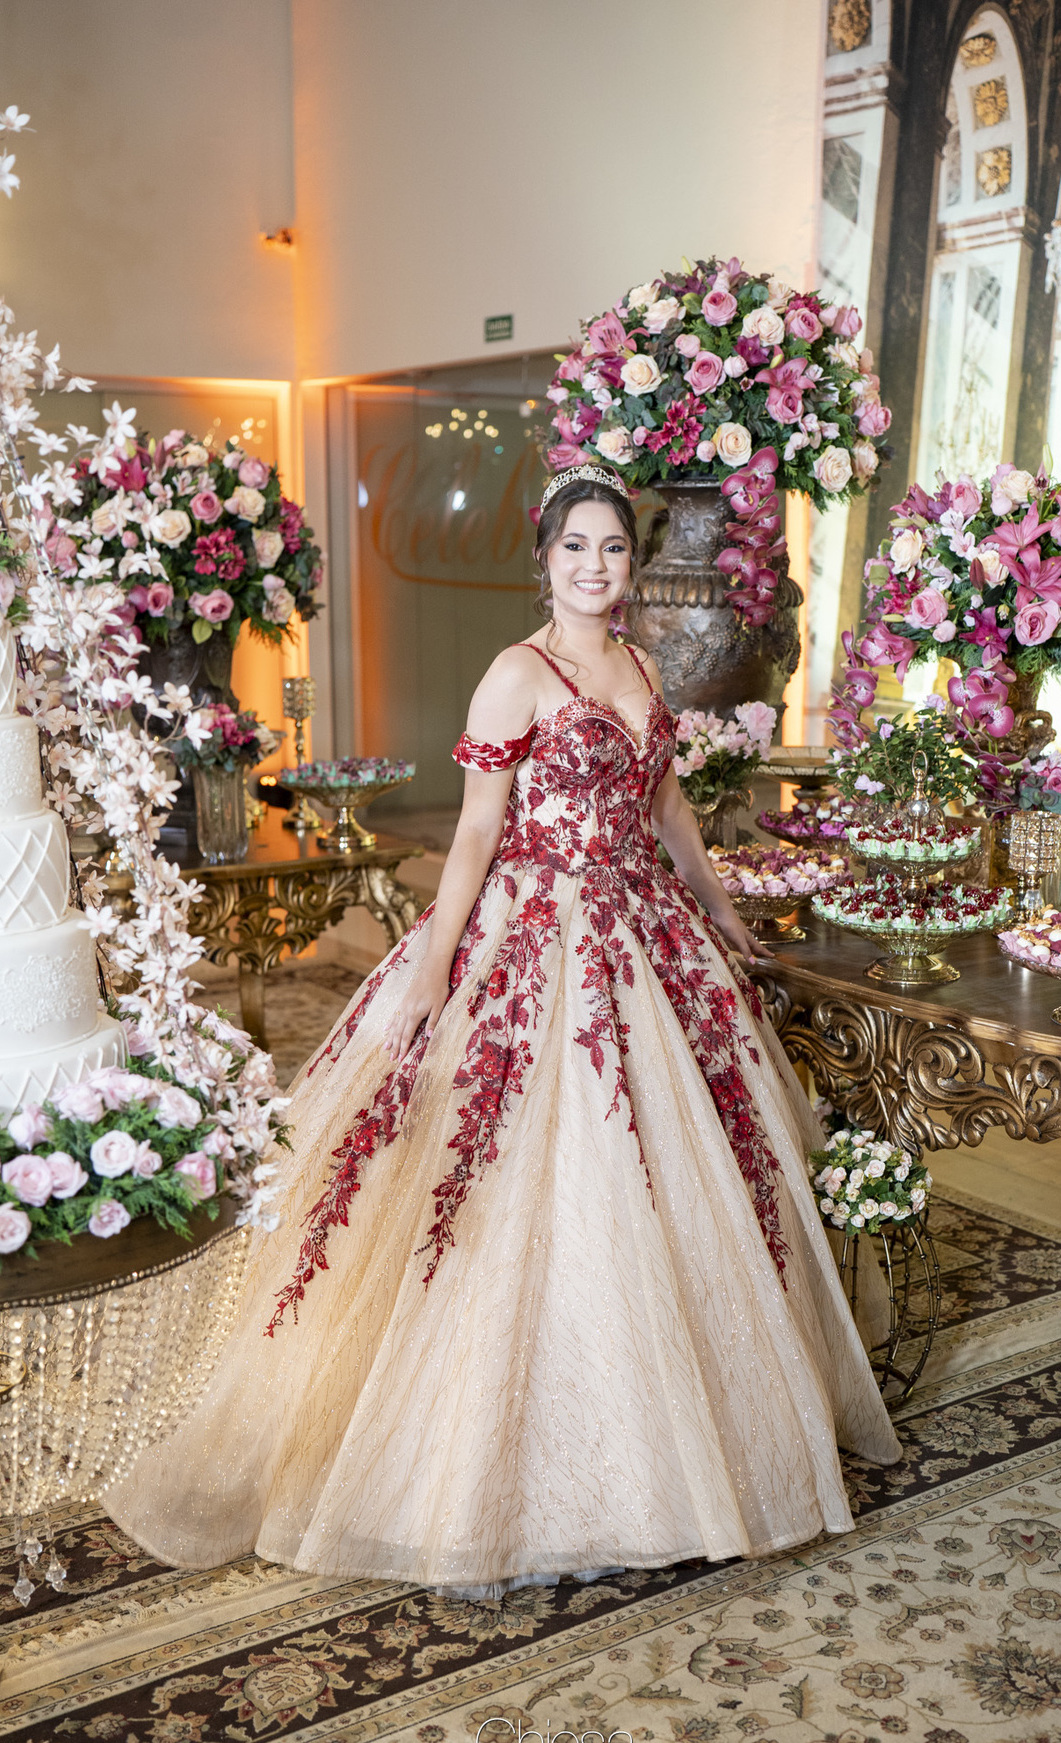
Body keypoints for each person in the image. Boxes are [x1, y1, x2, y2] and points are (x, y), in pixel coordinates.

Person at [103, 464, 901, 1602]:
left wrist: (722, 914)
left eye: (613, 549)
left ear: (632, 564)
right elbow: (477, 835)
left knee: (680, 1167)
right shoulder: (515, 675)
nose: (595, 566)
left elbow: (667, 806)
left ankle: (686, 1443)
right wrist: (432, 974)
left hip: (644, 929)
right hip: (535, 933)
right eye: (576, 547)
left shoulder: (642, 665)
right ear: (544, 560)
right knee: (528, 1171)